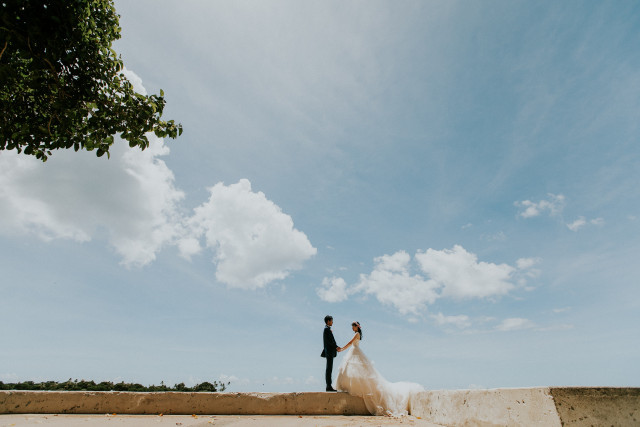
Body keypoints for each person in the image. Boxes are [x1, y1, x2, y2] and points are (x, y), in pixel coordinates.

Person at [336, 321, 424, 416]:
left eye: (353, 326)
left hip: (354, 351)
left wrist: (342, 349)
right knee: (352, 370)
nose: (352, 327)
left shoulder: (357, 334)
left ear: (357, 327)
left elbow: (350, 343)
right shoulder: (357, 333)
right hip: (354, 351)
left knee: (355, 369)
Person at [321, 315, 341, 392]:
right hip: (329, 352)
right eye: (332, 320)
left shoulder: (327, 329)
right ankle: (328, 386)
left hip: (329, 352)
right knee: (329, 369)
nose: (332, 322)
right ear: (328, 321)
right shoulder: (326, 329)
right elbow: (330, 342)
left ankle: (329, 386)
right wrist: (336, 347)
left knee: (329, 369)